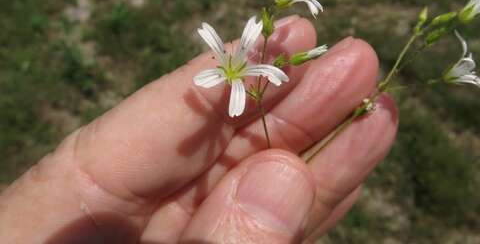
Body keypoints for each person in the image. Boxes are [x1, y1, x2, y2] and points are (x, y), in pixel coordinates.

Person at [0, 15, 397, 243]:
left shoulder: (245, 78)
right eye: (230, 67)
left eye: (236, 68)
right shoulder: (234, 78)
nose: (233, 70)